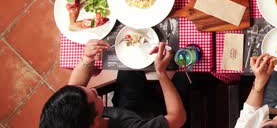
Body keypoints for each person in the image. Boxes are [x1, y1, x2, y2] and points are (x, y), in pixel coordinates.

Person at [40, 40, 187, 128]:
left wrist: (87, 59)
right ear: (95, 123)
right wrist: (161, 73)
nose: (94, 90)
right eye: (94, 95)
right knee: (185, 76)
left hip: (126, 108)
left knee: (130, 65)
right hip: (150, 120)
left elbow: (75, 85)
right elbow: (177, 118)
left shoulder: (70, 117)